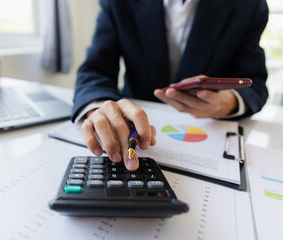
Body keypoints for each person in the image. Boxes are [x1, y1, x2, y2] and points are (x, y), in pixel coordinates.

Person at [71, 0, 269, 171]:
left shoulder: (250, 5)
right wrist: (98, 107)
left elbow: (255, 83)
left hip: (210, 133)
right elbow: (95, 68)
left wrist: (230, 102)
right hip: (134, 121)